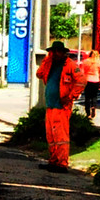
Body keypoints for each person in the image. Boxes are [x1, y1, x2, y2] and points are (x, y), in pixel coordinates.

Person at [36, 41, 85, 170]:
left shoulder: (70, 65)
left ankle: (62, 163)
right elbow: (39, 74)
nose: (54, 54)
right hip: (51, 105)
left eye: (57, 51)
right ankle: (54, 161)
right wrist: (47, 60)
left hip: (62, 106)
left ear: (63, 52)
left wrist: (71, 97)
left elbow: (81, 81)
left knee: (61, 136)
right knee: (51, 136)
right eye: (52, 51)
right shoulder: (50, 64)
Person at [80, 44, 100, 123]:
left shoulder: (85, 62)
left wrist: (82, 82)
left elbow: (82, 72)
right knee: (94, 96)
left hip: (87, 81)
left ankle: (88, 114)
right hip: (95, 80)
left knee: (87, 97)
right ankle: (93, 106)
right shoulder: (98, 63)